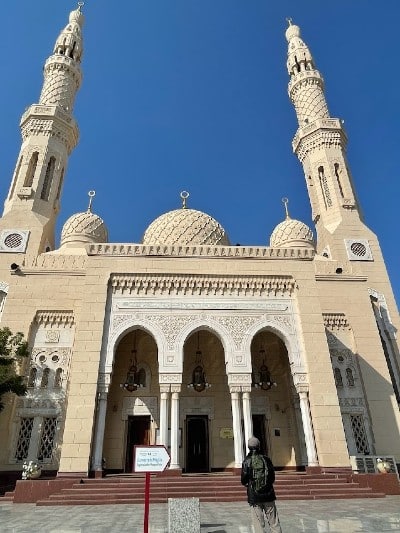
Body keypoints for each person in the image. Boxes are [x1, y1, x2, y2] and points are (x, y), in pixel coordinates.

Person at [241, 437, 282, 533]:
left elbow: (243, 479)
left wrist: (249, 484)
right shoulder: (266, 459)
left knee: (258, 524)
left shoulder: (247, 461)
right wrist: (267, 485)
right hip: (269, 495)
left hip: (255, 496)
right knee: (274, 522)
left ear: (248, 447)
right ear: (259, 446)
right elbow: (272, 477)